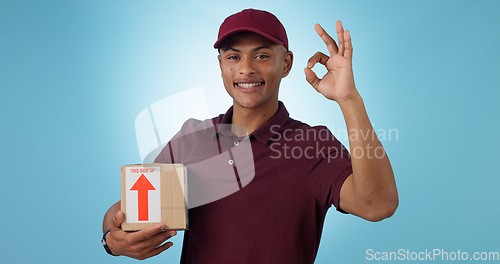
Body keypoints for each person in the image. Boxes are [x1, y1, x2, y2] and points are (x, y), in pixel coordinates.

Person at [101, 8, 398, 263]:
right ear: (221, 66)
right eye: (233, 57)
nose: (245, 69)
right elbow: (128, 210)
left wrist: (349, 99)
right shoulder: (193, 137)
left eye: (262, 55)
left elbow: (378, 205)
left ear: (286, 64)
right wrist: (112, 240)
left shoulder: (312, 146)